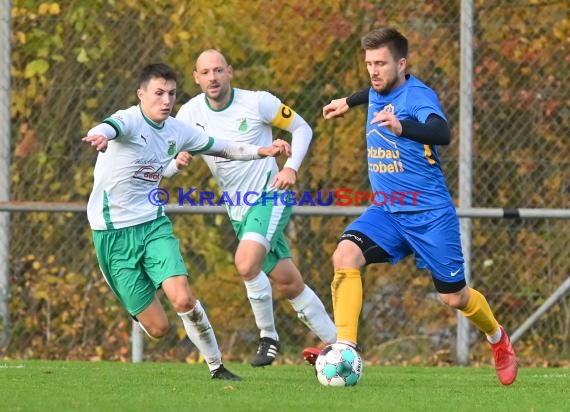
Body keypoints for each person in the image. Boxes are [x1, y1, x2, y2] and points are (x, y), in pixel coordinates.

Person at [319, 28, 518, 385]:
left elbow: (441, 132)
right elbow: (371, 92)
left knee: (454, 297)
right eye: (369, 64)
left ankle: (498, 338)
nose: (373, 71)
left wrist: (401, 127)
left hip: (429, 215)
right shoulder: (379, 88)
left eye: (381, 63)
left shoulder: (418, 96)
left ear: (402, 64)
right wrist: (348, 102)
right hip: (387, 212)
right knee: (345, 255)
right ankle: (344, 348)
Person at [83, 63, 291, 381]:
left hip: (153, 225)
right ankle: (136, 298)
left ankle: (216, 366)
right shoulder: (129, 120)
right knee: (158, 329)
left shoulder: (177, 130)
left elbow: (222, 146)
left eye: (172, 94)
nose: (166, 100)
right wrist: (99, 134)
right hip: (111, 235)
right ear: (141, 95)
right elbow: (109, 127)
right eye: (158, 93)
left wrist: (261, 150)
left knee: (182, 297)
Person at [164, 49, 337, 367]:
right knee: (288, 281)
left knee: (245, 263)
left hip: (272, 195)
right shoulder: (188, 115)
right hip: (239, 209)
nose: (213, 77)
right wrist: (178, 163)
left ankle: (268, 336)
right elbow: (165, 161)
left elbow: (302, 128)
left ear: (229, 72)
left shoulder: (258, 102)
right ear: (197, 78)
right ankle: (339, 344)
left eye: (219, 70)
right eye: (206, 72)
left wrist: (291, 168)